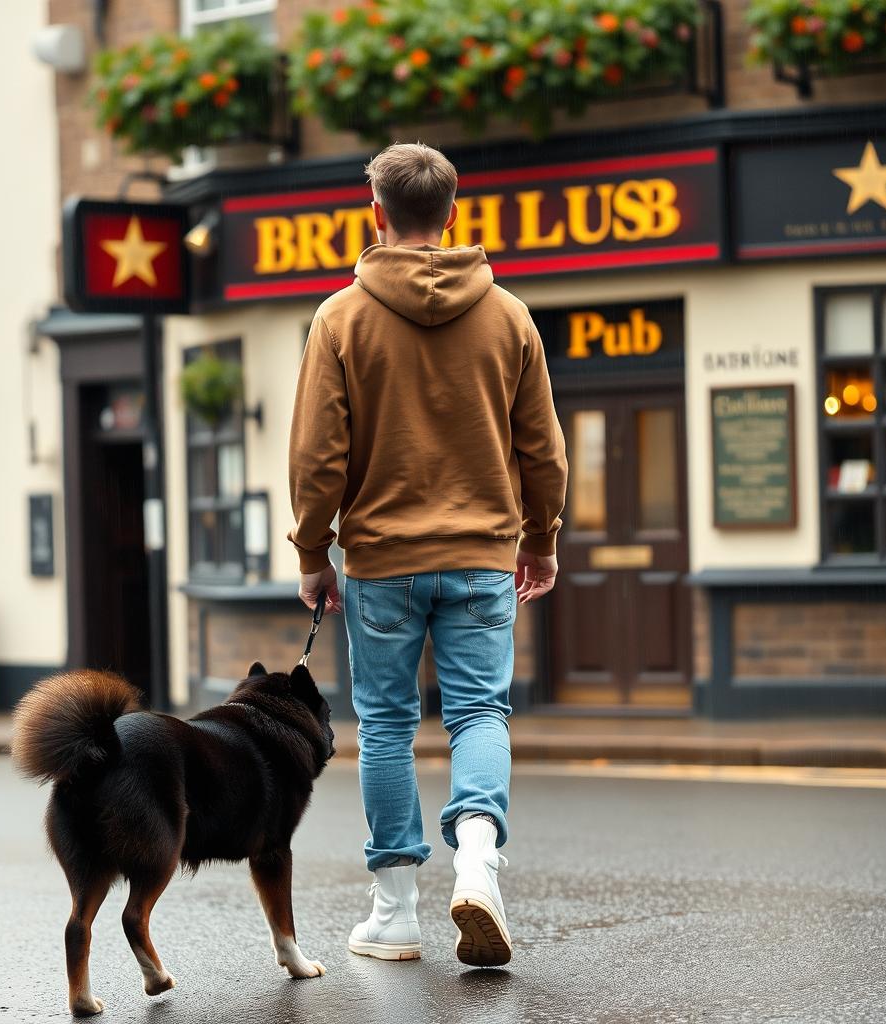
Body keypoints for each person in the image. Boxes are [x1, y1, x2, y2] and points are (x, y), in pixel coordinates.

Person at [287, 142, 568, 968]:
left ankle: (396, 911)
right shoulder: (509, 313)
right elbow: (542, 449)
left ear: (375, 211)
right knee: (480, 713)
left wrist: (313, 550)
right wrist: (541, 540)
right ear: (453, 210)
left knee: (385, 724)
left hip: (379, 561)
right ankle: (479, 862)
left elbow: (317, 456)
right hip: (483, 556)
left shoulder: (341, 316)